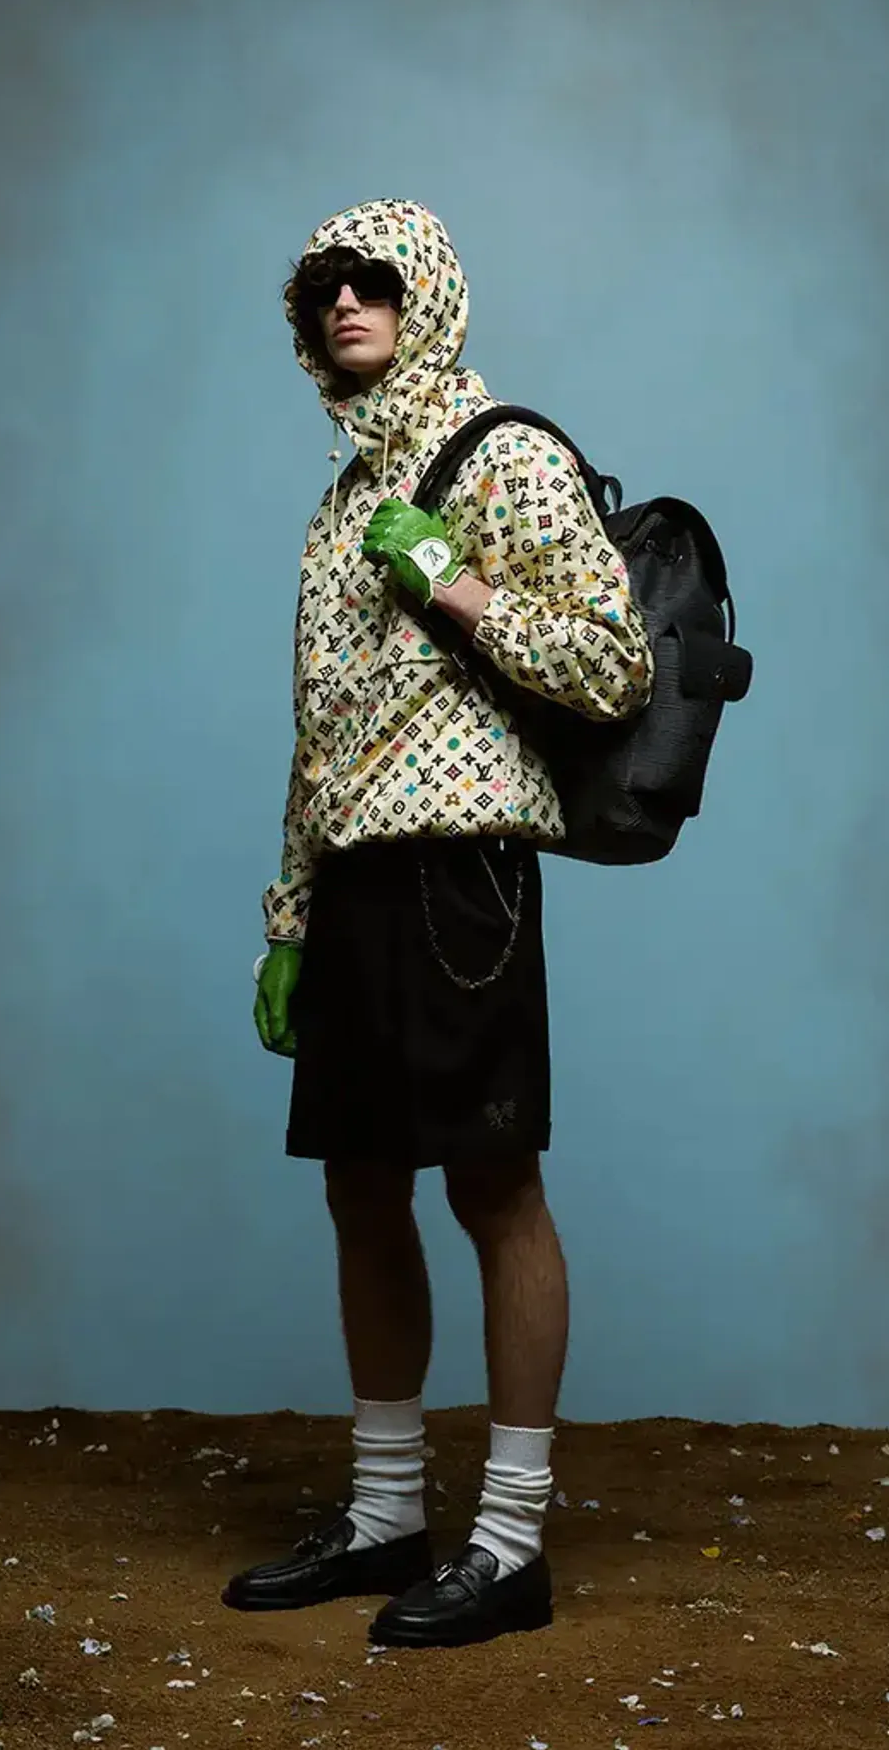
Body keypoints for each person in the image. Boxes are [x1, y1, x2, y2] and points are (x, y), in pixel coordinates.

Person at [221, 198, 653, 1649]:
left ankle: (511, 1542)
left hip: (462, 872)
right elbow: (317, 731)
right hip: (350, 881)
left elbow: (614, 666)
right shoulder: (341, 502)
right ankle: (387, 1515)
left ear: (428, 294)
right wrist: (289, 916)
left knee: (492, 1185)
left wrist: (456, 587)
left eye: (373, 280)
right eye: (321, 289)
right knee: (359, 1186)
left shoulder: (506, 453)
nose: (344, 303)